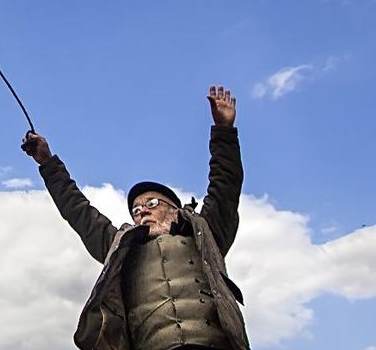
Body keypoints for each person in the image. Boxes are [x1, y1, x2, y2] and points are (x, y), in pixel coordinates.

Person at [22, 86, 249, 350]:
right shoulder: (120, 246)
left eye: (152, 203)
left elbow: (225, 184)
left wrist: (223, 130)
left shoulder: (205, 231)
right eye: (137, 210)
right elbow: (77, 210)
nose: (143, 211)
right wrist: (47, 162)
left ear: (175, 209)